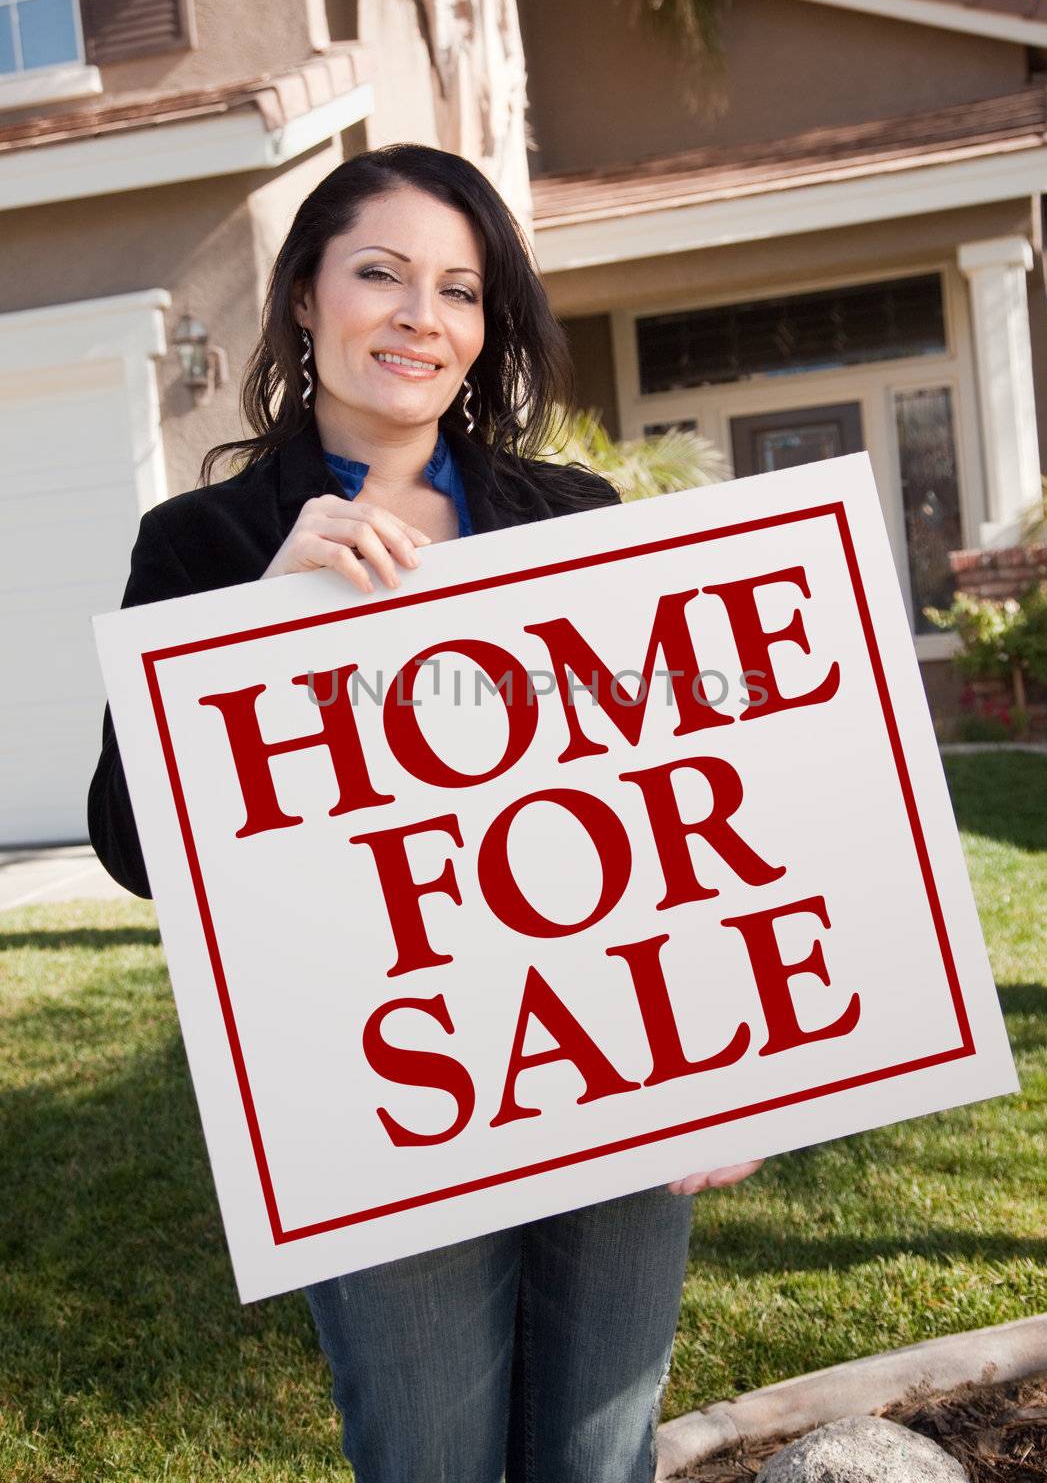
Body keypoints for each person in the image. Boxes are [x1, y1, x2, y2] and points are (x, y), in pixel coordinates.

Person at [87, 143, 762, 1483]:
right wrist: (259, 631)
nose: (418, 315)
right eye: (380, 273)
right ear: (304, 301)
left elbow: (663, 809)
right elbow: (131, 844)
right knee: (430, 1459)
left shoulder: (573, 518)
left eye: (458, 290)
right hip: (377, 1087)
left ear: (483, 330)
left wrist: (717, 1068)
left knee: (598, 1457)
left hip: (607, 1057)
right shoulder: (204, 546)